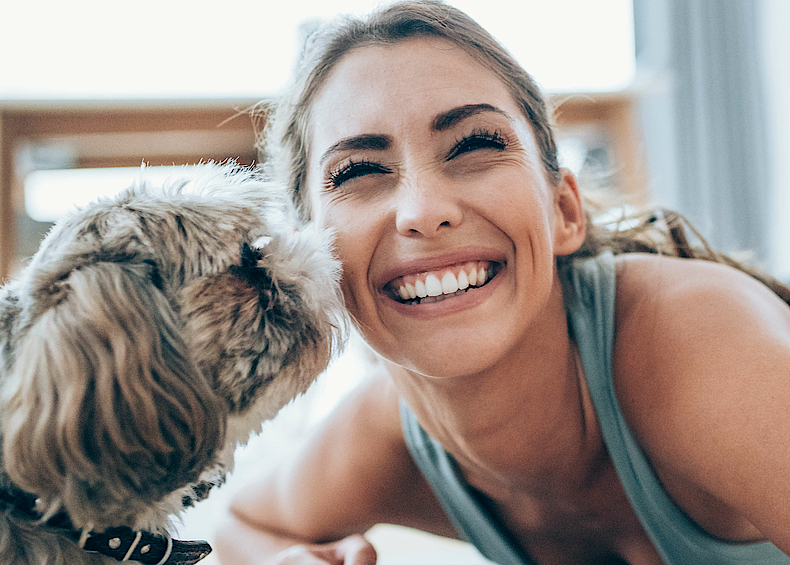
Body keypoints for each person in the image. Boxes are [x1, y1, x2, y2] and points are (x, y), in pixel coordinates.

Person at [213, 2, 790, 563]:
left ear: (564, 210)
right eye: (358, 172)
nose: (423, 209)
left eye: (474, 145)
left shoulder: (693, 336)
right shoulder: (385, 437)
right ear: (309, 258)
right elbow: (241, 525)